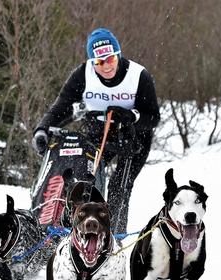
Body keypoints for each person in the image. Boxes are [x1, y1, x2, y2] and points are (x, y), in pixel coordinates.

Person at [31, 28, 161, 235]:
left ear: (117, 55)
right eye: (99, 61)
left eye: (110, 58)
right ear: (93, 61)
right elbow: (62, 107)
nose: (106, 66)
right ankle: (83, 233)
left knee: (120, 186)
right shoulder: (82, 74)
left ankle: (113, 238)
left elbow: (153, 118)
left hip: (133, 138)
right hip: (98, 134)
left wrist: (131, 116)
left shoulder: (138, 75)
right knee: (86, 184)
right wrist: (42, 129)